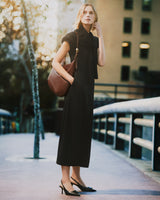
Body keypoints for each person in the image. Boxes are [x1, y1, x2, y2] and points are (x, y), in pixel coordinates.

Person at [52, 3, 105, 196]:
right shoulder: (72, 36)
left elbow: (102, 62)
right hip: (75, 93)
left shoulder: (93, 40)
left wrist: (101, 36)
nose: (88, 15)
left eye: (91, 13)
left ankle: (76, 177)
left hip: (88, 93)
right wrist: (71, 80)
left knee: (82, 134)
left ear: (95, 17)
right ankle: (65, 180)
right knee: (71, 134)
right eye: (85, 12)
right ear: (80, 16)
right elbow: (55, 62)